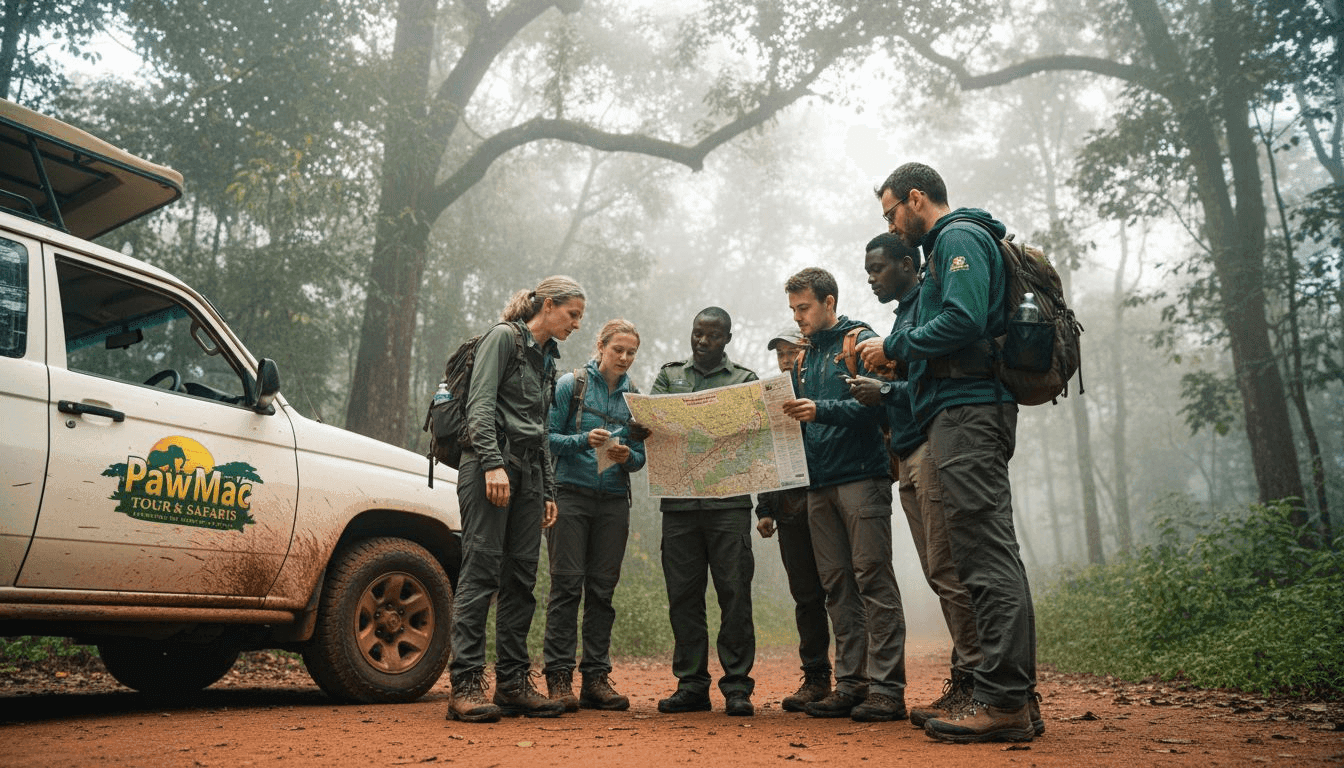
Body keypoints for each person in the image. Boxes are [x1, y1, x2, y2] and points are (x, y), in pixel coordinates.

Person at [858, 162, 1037, 743]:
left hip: (968, 411)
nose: (891, 223)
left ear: (915, 198)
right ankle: (1009, 698)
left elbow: (961, 320)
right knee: (981, 554)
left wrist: (893, 346)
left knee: (984, 557)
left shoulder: (957, 236)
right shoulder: (947, 245)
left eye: (891, 213)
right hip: (956, 412)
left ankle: (1006, 703)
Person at [848, 233, 983, 728]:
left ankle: (977, 684)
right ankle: (969, 680)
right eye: (868, 269)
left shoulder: (926, 304)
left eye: (879, 268)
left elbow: (930, 383)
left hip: (930, 446)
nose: (871, 277)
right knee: (938, 571)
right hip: (906, 452)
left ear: (908, 265)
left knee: (950, 570)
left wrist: (884, 387)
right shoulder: (904, 315)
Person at [446, 275, 585, 723]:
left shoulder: (546, 359)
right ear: (547, 304)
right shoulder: (503, 339)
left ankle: (512, 682)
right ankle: (465, 684)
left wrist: (546, 488)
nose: (576, 324)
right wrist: (491, 464)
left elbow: (541, 427)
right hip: (491, 465)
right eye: (572, 314)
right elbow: (479, 407)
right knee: (481, 571)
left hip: (528, 475)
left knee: (522, 578)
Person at [780, 267, 908, 722]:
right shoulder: (802, 357)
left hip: (862, 477)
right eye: (793, 309)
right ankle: (851, 685)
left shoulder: (862, 342)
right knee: (836, 586)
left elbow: (883, 404)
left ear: (829, 302)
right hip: (818, 484)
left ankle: (888, 690)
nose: (798, 317)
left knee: (873, 578)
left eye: (805, 307)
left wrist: (822, 410)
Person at [646, 307, 758, 717]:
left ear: (727, 338)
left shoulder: (745, 381)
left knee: (734, 595)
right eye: (697, 333)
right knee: (683, 597)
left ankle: (737, 688)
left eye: (712, 336)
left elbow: (755, 440)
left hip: (729, 505)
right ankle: (691, 685)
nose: (702, 341)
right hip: (678, 506)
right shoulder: (668, 376)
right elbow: (653, 421)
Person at [542, 319, 646, 712]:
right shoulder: (572, 385)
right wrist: (582, 440)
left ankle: (596, 679)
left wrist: (626, 456)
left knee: (602, 592)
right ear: (600, 346)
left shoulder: (634, 397)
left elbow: (639, 458)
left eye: (631, 352)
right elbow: (546, 438)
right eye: (617, 349)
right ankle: (558, 679)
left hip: (614, 501)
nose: (623, 357)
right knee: (566, 588)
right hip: (569, 496)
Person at [754, 327, 833, 712]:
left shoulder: (825, 385)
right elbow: (768, 455)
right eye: (780, 354)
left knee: (843, 591)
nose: (786, 359)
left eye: (792, 351)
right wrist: (765, 509)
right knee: (806, 597)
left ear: (808, 352)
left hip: (828, 503)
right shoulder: (772, 398)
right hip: (788, 511)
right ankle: (816, 678)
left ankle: (858, 678)